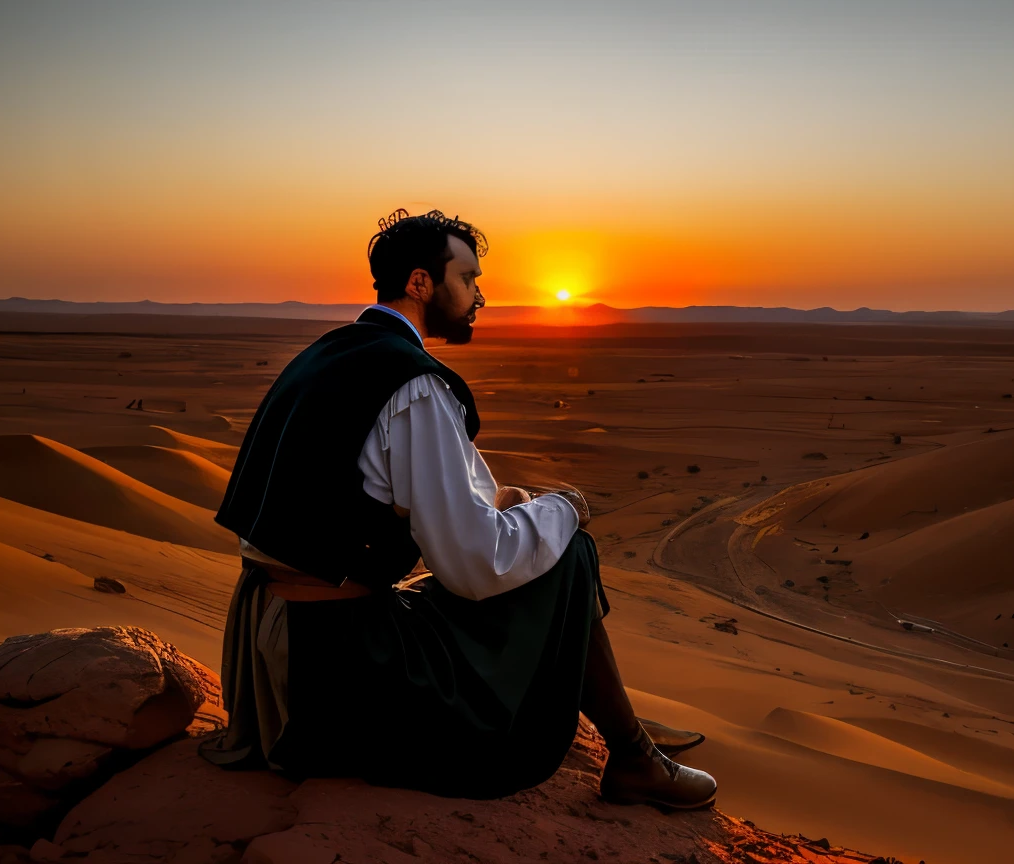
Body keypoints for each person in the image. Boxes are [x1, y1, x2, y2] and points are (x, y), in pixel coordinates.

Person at [199, 208, 717, 810]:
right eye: (468, 279)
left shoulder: (328, 355)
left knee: (536, 540)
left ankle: (622, 728)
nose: (480, 296)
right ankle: (631, 754)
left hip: (275, 642)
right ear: (421, 283)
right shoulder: (411, 385)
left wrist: (513, 509)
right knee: (568, 549)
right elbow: (475, 562)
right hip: (338, 671)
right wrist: (566, 506)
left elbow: (410, 507)